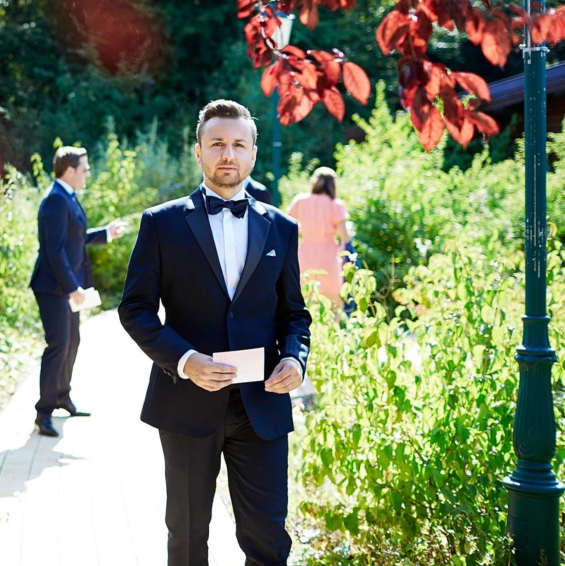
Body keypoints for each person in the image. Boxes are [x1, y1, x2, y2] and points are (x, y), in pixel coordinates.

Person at [119, 99, 311, 566]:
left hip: (260, 407)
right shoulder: (160, 223)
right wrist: (186, 361)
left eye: (238, 144)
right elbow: (136, 309)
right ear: (199, 152)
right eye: (218, 144)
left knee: (268, 537)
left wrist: (294, 357)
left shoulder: (282, 228)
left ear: (252, 153)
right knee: (186, 539)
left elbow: (295, 314)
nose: (228, 153)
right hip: (185, 405)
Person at [29, 145, 128, 438]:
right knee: (58, 346)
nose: (88, 173)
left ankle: (61, 396)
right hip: (53, 288)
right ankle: (43, 412)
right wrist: (73, 288)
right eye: (84, 168)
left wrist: (107, 233)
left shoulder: (67, 197)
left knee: (72, 343)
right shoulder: (55, 201)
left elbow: (76, 238)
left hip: (66, 287)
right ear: (69, 171)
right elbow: (54, 251)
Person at [285, 167, 353, 313]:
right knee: (334, 305)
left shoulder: (300, 201)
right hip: (329, 258)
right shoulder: (336, 205)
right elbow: (345, 237)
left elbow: (286, 226)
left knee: (307, 302)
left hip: (304, 256)